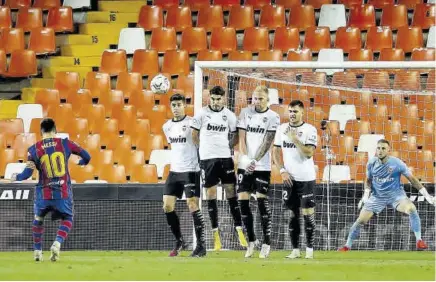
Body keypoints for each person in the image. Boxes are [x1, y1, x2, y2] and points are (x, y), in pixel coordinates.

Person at [10, 118, 91, 262]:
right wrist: (81, 162)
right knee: (68, 218)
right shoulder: (65, 143)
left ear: (41, 132)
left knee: (38, 219)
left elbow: (27, 173)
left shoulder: (34, 149)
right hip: (62, 192)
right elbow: (87, 156)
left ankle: (37, 251)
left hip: (43, 194)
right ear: (55, 130)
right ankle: (57, 242)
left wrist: (15, 176)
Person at [338, 139, 434, 252]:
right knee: (360, 221)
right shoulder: (371, 163)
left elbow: (412, 180)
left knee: (412, 209)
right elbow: (368, 180)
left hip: (396, 196)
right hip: (377, 197)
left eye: (383, 148)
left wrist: (427, 195)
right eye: (378, 148)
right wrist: (366, 195)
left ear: (389, 150)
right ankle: (347, 246)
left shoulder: (397, 163)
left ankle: (419, 240)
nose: (380, 151)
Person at [191, 85, 247, 251]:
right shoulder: (201, 113)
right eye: (213, 99)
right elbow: (194, 135)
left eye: (218, 99)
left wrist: (228, 146)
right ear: (210, 98)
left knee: (231, 192)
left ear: (224, 99)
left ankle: (239, 230)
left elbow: (236, 134)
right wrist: (203, 149)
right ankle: (216, 236)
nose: (215, 102)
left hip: (225, 158)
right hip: (208, 160)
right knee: (211, 194)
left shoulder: (229, 115)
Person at [237, 86, 280, 258]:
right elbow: (241, 138)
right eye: (254, 98)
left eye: (260, 98)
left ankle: (266, 242)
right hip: (245, 165)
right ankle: (252, 241)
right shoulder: (245, 113)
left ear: (267, 100)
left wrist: (254, 161)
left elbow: (268, 142)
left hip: (262, 167)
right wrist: (246, 160)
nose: (257, 101)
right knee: (243, 202)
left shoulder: (273, 117)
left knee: (262, 202)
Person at [272, 100, 318, 259]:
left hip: (306, 179)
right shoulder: (281, 129)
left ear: (302, 113)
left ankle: (310, 251)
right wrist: (282, 171)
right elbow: (276, 152)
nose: (292, 114)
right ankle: (295, 250)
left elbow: (308, 153)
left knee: (307, 214)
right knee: (292, 214)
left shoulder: (310, 130)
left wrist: (295, 139)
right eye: (290, 111)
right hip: (289, 180)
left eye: (295, 112)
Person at [162, 93, 206, 257]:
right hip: (174, 171)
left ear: (184, 106)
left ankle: (201, 246)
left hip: (191, 170)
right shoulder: (166, 126)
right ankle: (179, 241)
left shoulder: (192, 123)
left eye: (179, 105)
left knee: (193, 205)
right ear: (170, 107)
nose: (176, 108)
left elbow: (199, 144)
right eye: (173, 105)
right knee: (167, 206)